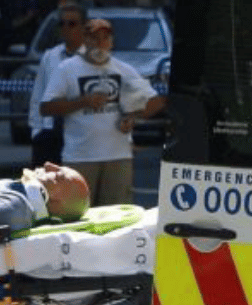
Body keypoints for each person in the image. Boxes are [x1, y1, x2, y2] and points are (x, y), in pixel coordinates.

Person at [40, 18, 165, 206]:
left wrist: (132, 117)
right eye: (94, 38)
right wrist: (83, 101)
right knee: (78, 214)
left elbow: (156, 102)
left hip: (119, 157)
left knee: (117, 216)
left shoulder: (123, 69)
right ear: (85, 41)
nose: (99, 43)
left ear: (111, 42)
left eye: (104, 38)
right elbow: (46, 107)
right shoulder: (67, 69)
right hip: (80, 157)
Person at [28, 1, 86, 167]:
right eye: (62, 24)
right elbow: (38, 95)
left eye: (72, 24)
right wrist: (36, 131)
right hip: (50, 132)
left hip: (79, 134)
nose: (66, 28)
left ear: (83, 27)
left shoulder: (92, 59)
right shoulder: (50, 56)